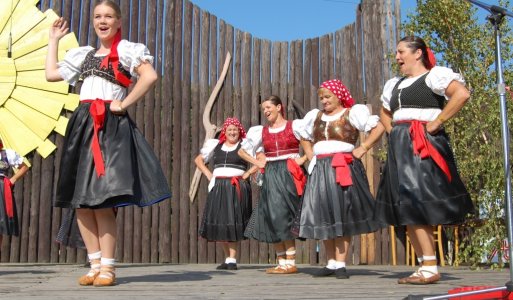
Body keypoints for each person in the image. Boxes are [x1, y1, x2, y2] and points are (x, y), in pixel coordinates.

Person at [45, 0, 171, 286]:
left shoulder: (126, 50)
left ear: (118, 21)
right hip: (82, 125)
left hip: (108, 128)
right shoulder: (84, 55)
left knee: (101, 200)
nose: (102, 21)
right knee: (80, 202)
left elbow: (149, 76)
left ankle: (109, 268)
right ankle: (94, 264)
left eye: (108, 16)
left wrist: (124, 103)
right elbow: (52, 74)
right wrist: (53, 40)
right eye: (97, 16)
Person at [374, 36, 473, 285]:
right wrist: (395, 132)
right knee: (405, 202)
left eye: (400, 52)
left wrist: (437, 122)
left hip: (424, 143)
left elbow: (461, 94)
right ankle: (424, 265)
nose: (397, 57)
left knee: (417, 200)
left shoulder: (433, 76)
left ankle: (430, 266)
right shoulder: (394, 85)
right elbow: (384, 114)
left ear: (417, 53)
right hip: (401, 144)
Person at [295, 79, 384, 279]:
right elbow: (303, 135)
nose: (324, 101)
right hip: (320, 169)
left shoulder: (351, 113)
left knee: (343, 213)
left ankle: (341, 263)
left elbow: (378, 128)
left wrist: (364, 147)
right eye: (321, 98)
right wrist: (310, 155)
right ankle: (331, 262)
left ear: (339, 96)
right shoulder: (315, 116)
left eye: (328, 97)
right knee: (323, 214)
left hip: (343, 167)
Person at [238, 95, 307, 274]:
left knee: (284, 215)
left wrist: (300, 160)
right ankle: (281, 262)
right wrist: (257, 162)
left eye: (269, 107)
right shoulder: (261, 131)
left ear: (279, 107)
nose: (266, 111)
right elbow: (241, 151)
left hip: (288, 173)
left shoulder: (295, 126)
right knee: (271, 214)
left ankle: (290, 262)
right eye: (264, 109)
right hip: (270, 173)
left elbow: (311, 147)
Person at [194, 117, 258, 270]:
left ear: (239, 131)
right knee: (221, 221)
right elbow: (198, 160)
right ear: (225, 132)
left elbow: (259, 161)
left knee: (232, 220)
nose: (232, 132)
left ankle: (232, 259)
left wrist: (247, 174)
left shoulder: (244, 146)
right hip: (218, 186)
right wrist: (210, 175)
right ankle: (228, 258)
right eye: (229, 130)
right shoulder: (216, 146)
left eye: (235, 130)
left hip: (235, 186)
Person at [0, 139, 29, 250]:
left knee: (0, 223)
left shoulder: (6, 154)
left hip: (1, 190)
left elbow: (24, 167)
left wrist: (12, 179)